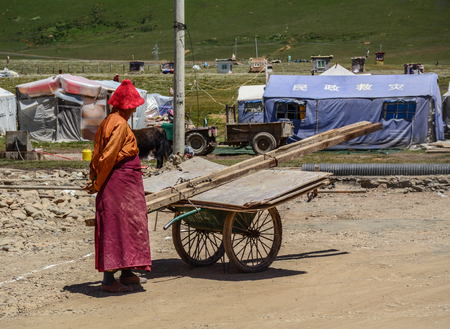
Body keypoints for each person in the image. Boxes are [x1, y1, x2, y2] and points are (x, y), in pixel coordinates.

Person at [84, 79, 151, 293]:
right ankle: (108, 280)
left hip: (122, 183)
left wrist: (95, 177)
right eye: (133, 105)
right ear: (127, 106)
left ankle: (128, 272)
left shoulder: (109, 120)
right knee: (116, 226)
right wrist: (98, 182)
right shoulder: (120, 123)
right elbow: (108, 156)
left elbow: (97, 154)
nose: (135, 108)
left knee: (127, 225)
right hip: (118, 184)